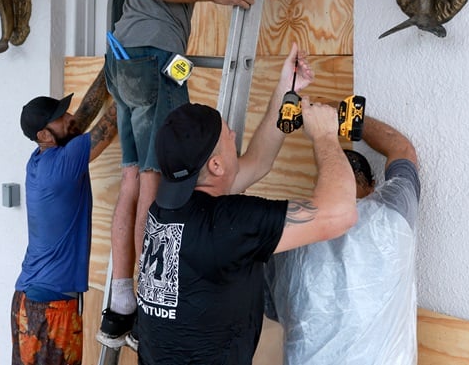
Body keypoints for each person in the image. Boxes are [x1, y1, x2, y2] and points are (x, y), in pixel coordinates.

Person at [99, 0, 335, 346]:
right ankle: (145, 312)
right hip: (155, 56)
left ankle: (119, 303)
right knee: (156, 183)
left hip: (129, 58)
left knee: (136, 177)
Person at [133, 44, 357, 364]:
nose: (235, 133)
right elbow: (340, 214)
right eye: (228, 135)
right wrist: (324, 136)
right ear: (215, 167)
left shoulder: (168, 206)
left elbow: (257, 162)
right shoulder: (225, 225)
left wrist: (286, 91)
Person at [264, 115, 420, 365]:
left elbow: (274, 306)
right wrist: (341, 114)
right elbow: (401, 147)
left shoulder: (295, 237)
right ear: (372, 184)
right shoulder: (394, 215)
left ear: (321, 186)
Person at [11, 71, 118, 365]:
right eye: (60, 116)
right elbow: (111, 124)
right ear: (44, 135)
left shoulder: (42, 157)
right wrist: (141, 72)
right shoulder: (62, 167)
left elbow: (83, 115)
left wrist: (109, 70)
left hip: (30, 300)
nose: (69, 116)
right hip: (50, 309)